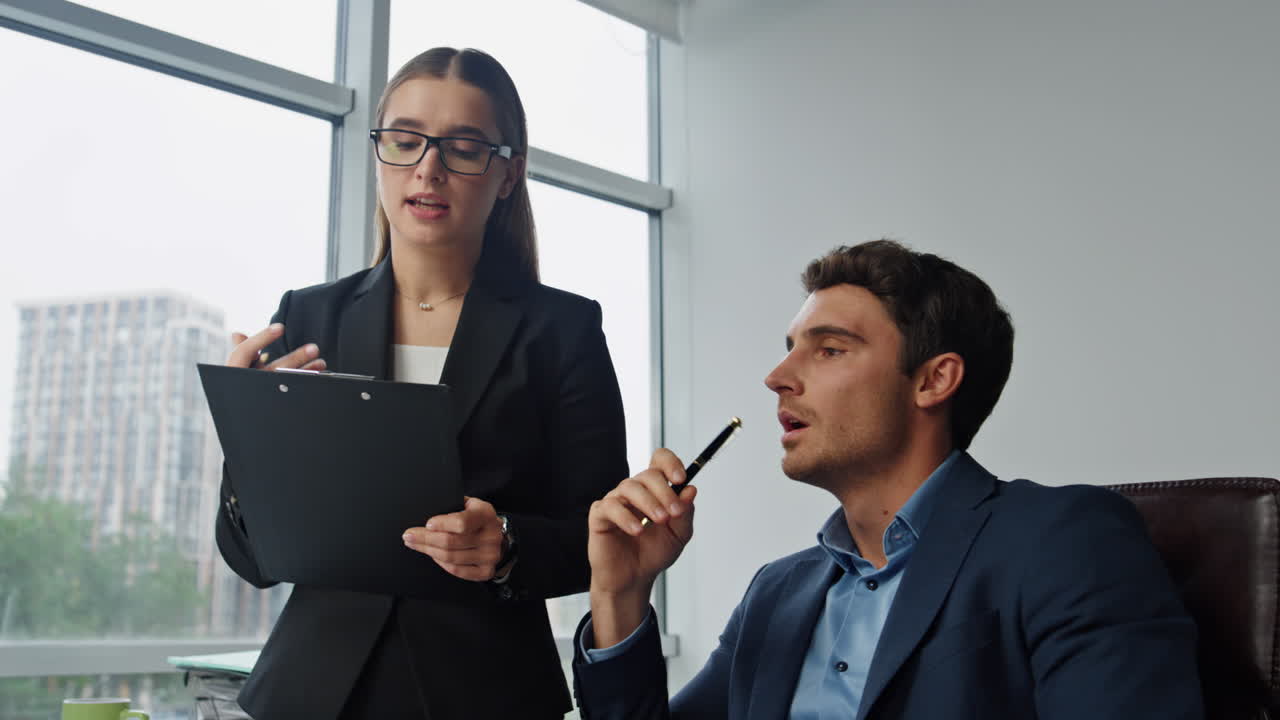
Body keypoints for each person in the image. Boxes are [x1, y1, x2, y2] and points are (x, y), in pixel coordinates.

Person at [572, 240, 1204, 719]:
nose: (777, 376)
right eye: (791, 346)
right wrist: (622, 592)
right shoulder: (777, 593)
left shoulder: (1065, 541)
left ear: (933, 380)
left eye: (829, 349)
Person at [216, 47, 628, 719]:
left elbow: (601, 530)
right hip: (311, 691)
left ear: (507, 174)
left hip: (485, 691)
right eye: (405, 141)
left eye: (463, 149)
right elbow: (254, 561)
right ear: (379, 153)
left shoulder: (564, 329)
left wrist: (508, 544)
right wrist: (245, 443)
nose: (428, 168)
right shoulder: (307, 316)